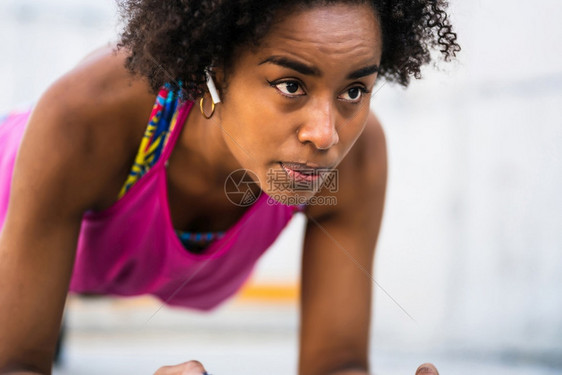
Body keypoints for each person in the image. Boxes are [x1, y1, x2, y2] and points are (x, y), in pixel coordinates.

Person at [0, 0, 459, 374]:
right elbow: (15, 363)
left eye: (355, 90)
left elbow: (336, 363)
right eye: (290, 84)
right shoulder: (84, 119)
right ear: (214, 67)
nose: (325, 134)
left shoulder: (354, 157)